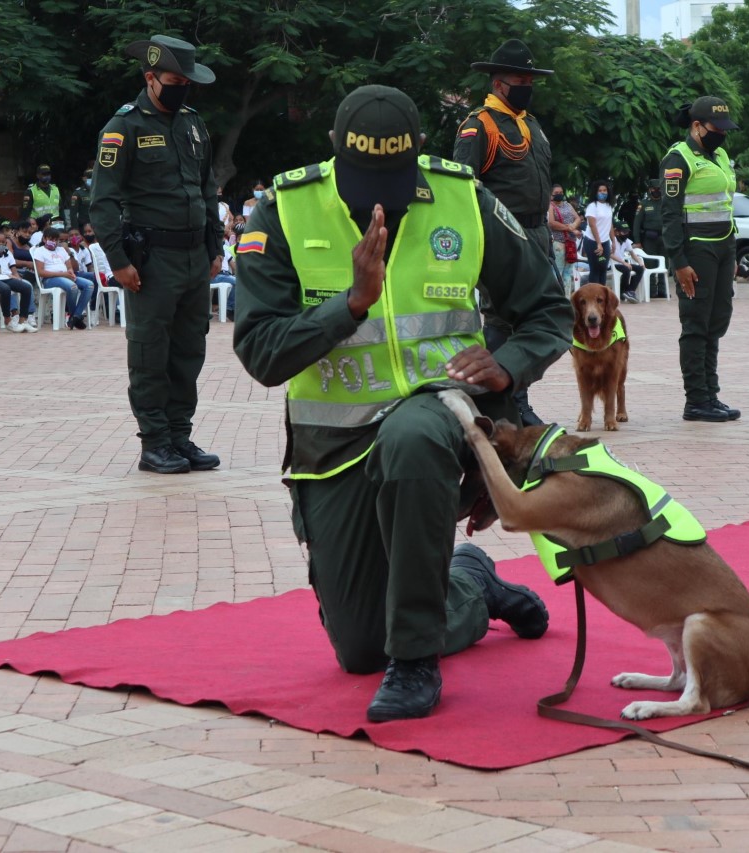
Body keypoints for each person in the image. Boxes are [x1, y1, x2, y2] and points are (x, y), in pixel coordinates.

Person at [234, 84, 568, 722]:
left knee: (411, 436)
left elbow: (546, 311)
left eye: (392, 178)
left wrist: (508, 366)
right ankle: (471, 581)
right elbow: (261, 354)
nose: (378, 199)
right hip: (333, 447)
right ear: (334, 149)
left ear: (418, 152)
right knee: (361, 650)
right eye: (366, 182)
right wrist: (349, 304)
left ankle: (416, 664)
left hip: (441, 412)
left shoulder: (464, 197)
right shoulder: (284, 208)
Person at [91, 33, 225, 474]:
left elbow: (207, 189)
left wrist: (214, 246)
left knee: (189, 350)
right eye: (173, 79)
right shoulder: (123, 128)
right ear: (150, 78)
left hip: (193, 258)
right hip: (151, 261)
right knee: (150, 353)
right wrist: (119, 262)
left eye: (187, 81)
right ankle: (154, 443)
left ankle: (179, 437)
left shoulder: (192, 123)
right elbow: (104, 202)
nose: (181, 87)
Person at [453, 38, 556, 427]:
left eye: (531, 79)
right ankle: (505, 403)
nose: (527, 86)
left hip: (537, 232)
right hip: (502, 236)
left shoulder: (530, 123)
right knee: (502, 319)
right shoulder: (478, 126)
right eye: (520, 79)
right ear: (498, 84)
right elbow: (464, 189)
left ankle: (514, 397)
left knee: (536, 318)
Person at [660, 96, 742, 423]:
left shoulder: (719, 154)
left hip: (723, 246)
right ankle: (696, 400)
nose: (722, 134)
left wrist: (732, 250)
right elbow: (669, 216)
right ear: (696, 126)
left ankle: (712, 394)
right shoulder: (677, 159)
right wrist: (679, 262)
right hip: (697, 249)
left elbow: (724, 202)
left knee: (717, 320)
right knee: (696, 323)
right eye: (716, 128)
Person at [31, 225, 90, 329]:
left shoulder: (61, 250)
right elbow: (41, 272)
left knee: (89, 285)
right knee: (73, 287)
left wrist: (70, 272)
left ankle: (74, 317)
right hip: (50, 279)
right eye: (50, 239)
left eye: (56, 239)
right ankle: (74, 316)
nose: (53, 242)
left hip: (66, 277)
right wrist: (63, 274)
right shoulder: (39, 251)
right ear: (44, 239)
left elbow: (69, 267)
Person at [632, 178, 666, 297]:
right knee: (650, 264)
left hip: (664, 238)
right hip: (649, 239)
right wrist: (637, 241)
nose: (656, 191)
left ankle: (663, 290)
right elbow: (637, 224)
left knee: (664, 264)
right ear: (649, 190)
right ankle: (652, 291)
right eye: (654, 189)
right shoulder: (644, 204)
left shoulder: (665, 203)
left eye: (658, 189)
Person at [546, 182, 583, 288]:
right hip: (558, 243)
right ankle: (557, 299)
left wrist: (573, 226)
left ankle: (566, 299)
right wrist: (570, 228)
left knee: (568, 273)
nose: (560, 194)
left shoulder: (567, 204)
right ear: (551, 195)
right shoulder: (550, 206)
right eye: (556, 193)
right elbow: (552, 223)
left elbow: (577, 218)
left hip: (570, 243)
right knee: (558, 272)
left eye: (561, 192)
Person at [583, 181, 615, 284]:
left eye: (604, 190)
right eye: (600, 191)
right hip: (593, 242)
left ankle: (602, 296)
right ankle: (594, 295)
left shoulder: (609, 206)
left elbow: (609, 224)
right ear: (595, 193)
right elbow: (593, 225)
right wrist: (598, 243)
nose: (603, 192)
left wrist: (613, 241)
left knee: (603, 268)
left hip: (605, 242)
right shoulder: (592, 206)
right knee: (595, 269)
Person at [612, 221, 645, 303]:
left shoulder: (626, 241)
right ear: (616, 232)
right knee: (627, 269)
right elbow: (610, 255)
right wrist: (623, 262)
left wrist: (640, 262)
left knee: (640, 269)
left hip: (622, 264)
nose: (626, 234)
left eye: (627, 232)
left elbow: (632, 253)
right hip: (613, 264)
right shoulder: (612, 240)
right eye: (624, 232)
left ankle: (630, 291)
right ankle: (623, 291)